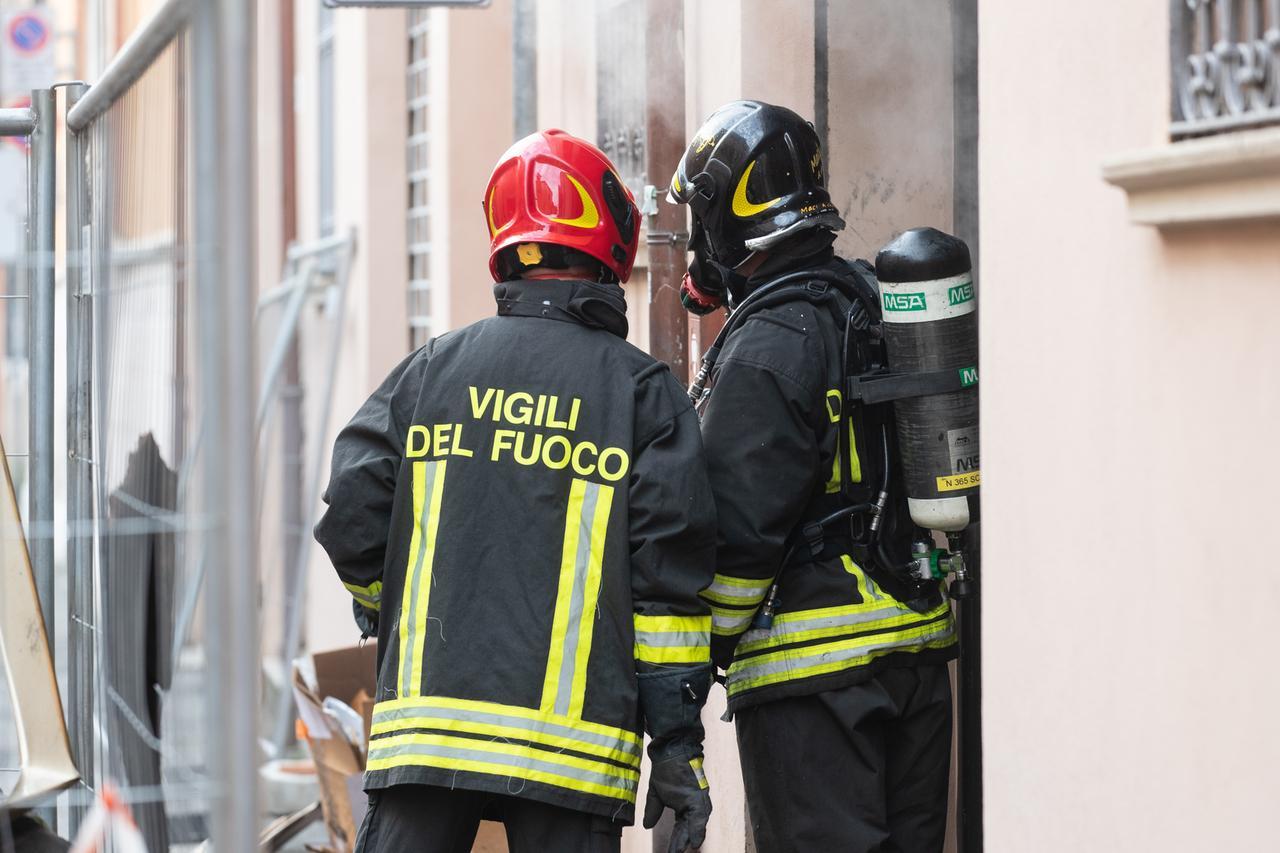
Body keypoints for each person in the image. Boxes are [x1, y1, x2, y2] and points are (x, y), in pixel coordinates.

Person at [315, 130, 716, 853]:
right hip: (569, 758)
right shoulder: (640, 393)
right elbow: (666, 595)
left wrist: (385, 607)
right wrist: (678, 747)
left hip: (424, 742)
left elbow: (351, 509)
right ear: (610, 242)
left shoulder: (430, 371)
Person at [668, 100, 958, 852]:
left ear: (727, 223)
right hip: (919, 660)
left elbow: (732, 544)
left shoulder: (767, 344)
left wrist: (695, 662)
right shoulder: (866, 299)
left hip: (817, 687)